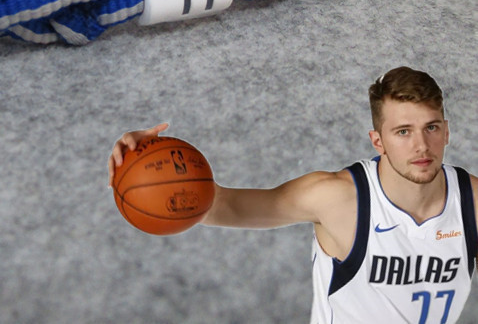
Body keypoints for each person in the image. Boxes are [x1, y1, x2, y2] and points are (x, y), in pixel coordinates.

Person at [108, 67, 478, 323]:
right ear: (377, 141)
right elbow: (223, 205)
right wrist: (143, 164)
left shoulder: (473, 202)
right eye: (403, 132)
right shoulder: (336, 198)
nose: (421, 145)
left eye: (431, 128)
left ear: (446, 131)